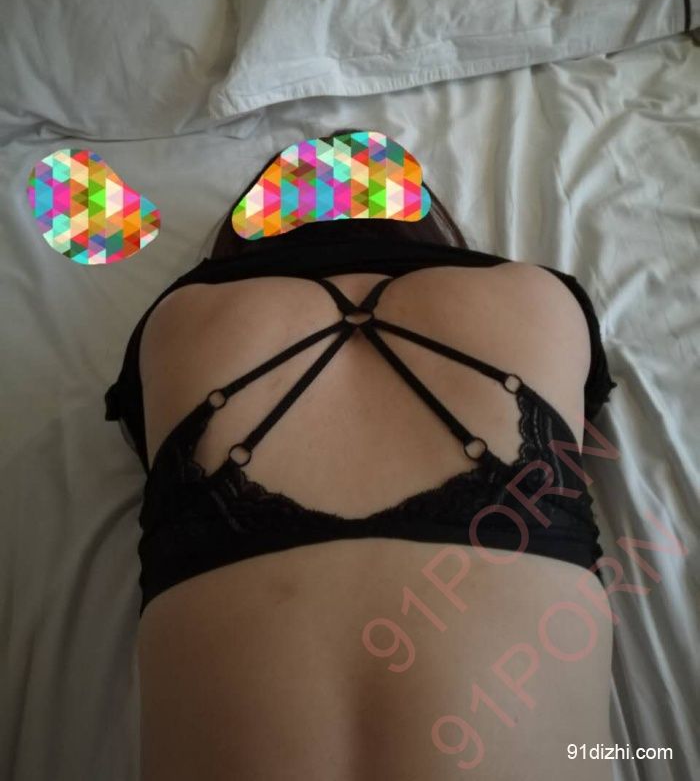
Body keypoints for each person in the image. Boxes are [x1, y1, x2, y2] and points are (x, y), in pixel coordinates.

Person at [105, 128, 617, 780]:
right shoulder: (539, 295)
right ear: (428, 225)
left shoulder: (178, 315)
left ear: (249, 232)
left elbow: (146, 445)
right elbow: (581, 420)